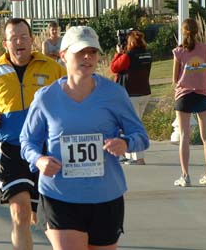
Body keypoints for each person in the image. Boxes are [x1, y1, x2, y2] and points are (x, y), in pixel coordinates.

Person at [20, 26, 149, 250]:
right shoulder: (45, 98)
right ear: (63, 55)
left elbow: (140, 136)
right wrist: (39, 160)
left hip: (105, 195)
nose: (87, 57)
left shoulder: (114, 94)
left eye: (93, 51)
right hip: (59, 194)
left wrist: (125, 143)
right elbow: (27, 142)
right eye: (80, 52)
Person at [0, 18, 66, 250]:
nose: (19, 42)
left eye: (24, 37)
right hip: (11, 151)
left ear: (32, 40)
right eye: (14, 38)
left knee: (48, 217)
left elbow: (72, 94)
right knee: (20, 213)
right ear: (5, 43)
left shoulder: (53, 69)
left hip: (47, 151)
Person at [172, 18, 206, 187]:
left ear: (183, 32)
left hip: (184, 95)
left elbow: (175, 78)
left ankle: (185, 175)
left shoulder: (178, 51)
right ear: (197, 31)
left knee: (184, 136)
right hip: (202, 94)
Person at [110, 30, 152, 165]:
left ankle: (138, 157)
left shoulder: (129, 55)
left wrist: (118, 53)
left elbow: (114, 67)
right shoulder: (147, 54)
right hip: (145, 92)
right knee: (136, 122)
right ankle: (132, 155)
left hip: (132, 94)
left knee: (133, 125)